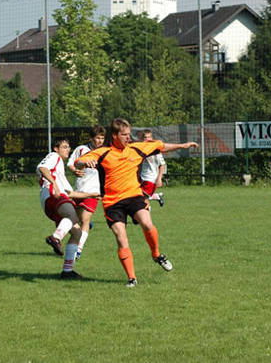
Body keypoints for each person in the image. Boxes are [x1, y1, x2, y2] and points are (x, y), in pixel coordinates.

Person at [75, 118, 198, 287]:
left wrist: (183, 146)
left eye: (129, 134)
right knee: (121, 237)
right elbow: (78, 162)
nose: (128, 137)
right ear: (115, 135)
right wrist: (84, 163)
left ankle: (156, 255)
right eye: (124, 135)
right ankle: (132, 278)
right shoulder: (103, 152)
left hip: (134, 196)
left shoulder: (136, 148)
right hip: (112, 202)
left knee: (147, 223)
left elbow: (160, 146)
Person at [37, 138, 98, 279]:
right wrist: (54, 184)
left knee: (77, 233)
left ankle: (67, 270)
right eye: (64, 147)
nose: (67, 149)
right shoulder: (54, 156)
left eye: (68, 147)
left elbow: (71, 193)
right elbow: (42, 168)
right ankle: (56, 237)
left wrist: (94, 194)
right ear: (56, 149)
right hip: (51, 194)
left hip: (54, 199)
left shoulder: (60, 172)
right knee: (74, 216)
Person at [66, 125, 106, 259]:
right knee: (75, 221)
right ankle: (87, 227)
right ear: (91, 138)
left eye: (102, 138)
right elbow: (71, 163)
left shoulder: (105, 152)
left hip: (94, 192)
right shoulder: (81, 149)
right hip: (78, 190)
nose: (100, 141)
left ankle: (78, 249)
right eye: (98, 138)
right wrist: (74, 170)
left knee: (84, 219)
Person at [137, 129, 167, 207]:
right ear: (142, 139)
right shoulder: (142, 150)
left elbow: (162, 164)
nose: (147, 139)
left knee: (142, 199)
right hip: (143, 177)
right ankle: (156, 196)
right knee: (138, 197)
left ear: (152, 138)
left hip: (151, 179)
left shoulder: (156, 150)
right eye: (145, 137)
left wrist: (159, 178)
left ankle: (145, 217)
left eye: (149, 137)